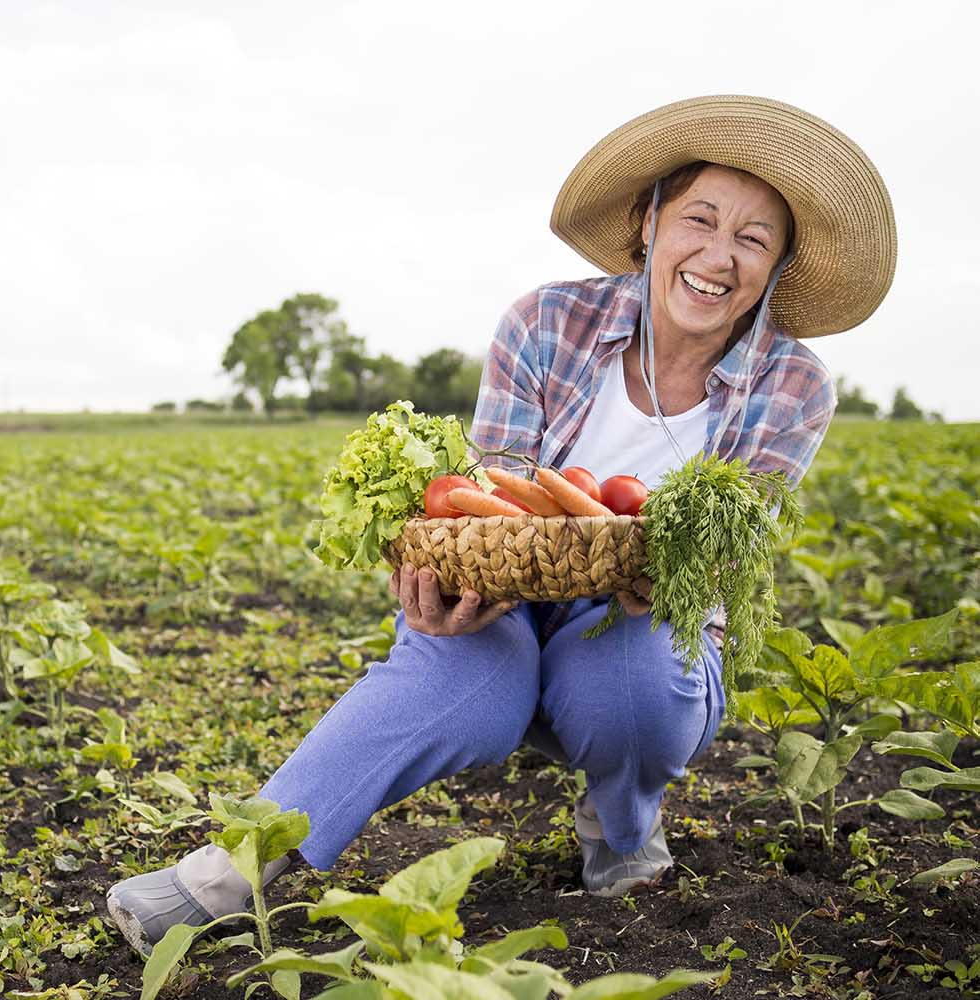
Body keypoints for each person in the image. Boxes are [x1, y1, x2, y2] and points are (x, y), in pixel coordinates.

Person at [106, 94, 897, 954]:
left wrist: (652, 576)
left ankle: (621, 833)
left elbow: (723, 555)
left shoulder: (793, 385)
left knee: (632, 684)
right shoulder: (546, 323)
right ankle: (228, 873)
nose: (718, 256)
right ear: (647, 223)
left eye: (753, 238)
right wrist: (438, 588)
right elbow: (482, 506)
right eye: (698, 220)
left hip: (646, 621)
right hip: (510, 601)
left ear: (777, 265)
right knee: (454, 682)